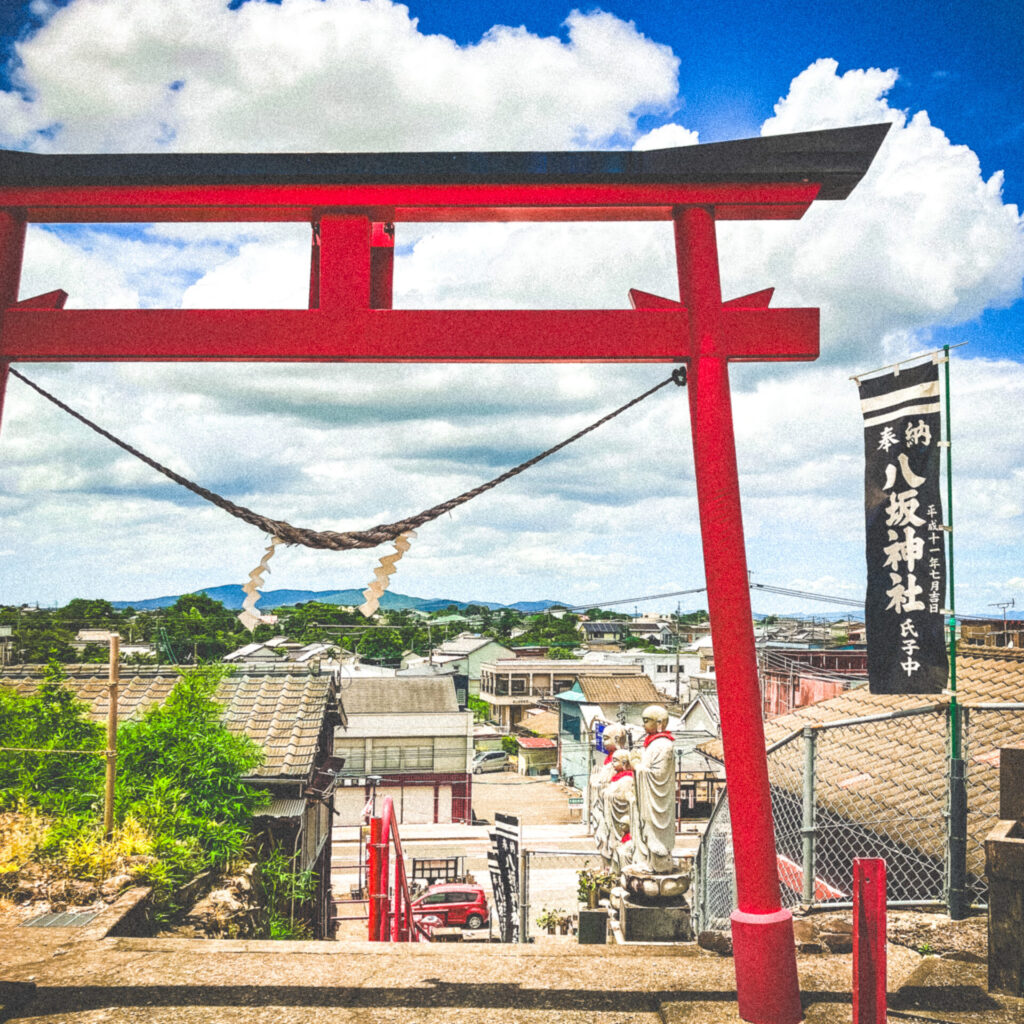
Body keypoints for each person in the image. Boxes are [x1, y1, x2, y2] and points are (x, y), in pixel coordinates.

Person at [628, 704, 676, 873]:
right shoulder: (652, 743)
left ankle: (659, 865)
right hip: (648, 796)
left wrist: (636, 765)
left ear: (660, 723)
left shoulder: (663, 745)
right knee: (646, 828)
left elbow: (658, 775)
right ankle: (649, 862)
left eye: (647, 721)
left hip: (657, 797)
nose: (643, 725)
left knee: (655, 831)